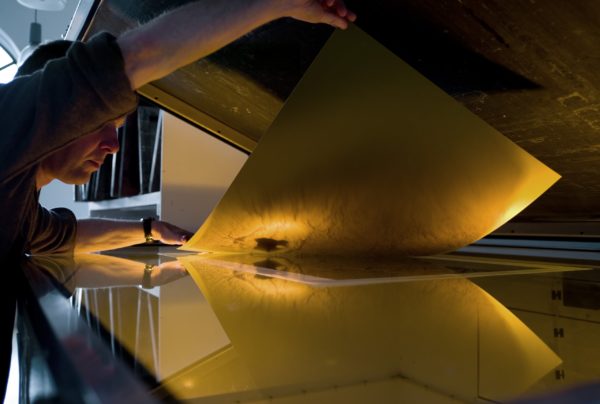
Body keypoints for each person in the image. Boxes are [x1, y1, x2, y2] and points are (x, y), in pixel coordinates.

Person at [0, 0, 356, 399]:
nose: (113, 145)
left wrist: (151, 230)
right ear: (54, 109)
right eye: (101, 123)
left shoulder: (20, 202)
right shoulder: (6, 117)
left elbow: (68, 236)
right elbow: (140, 55)